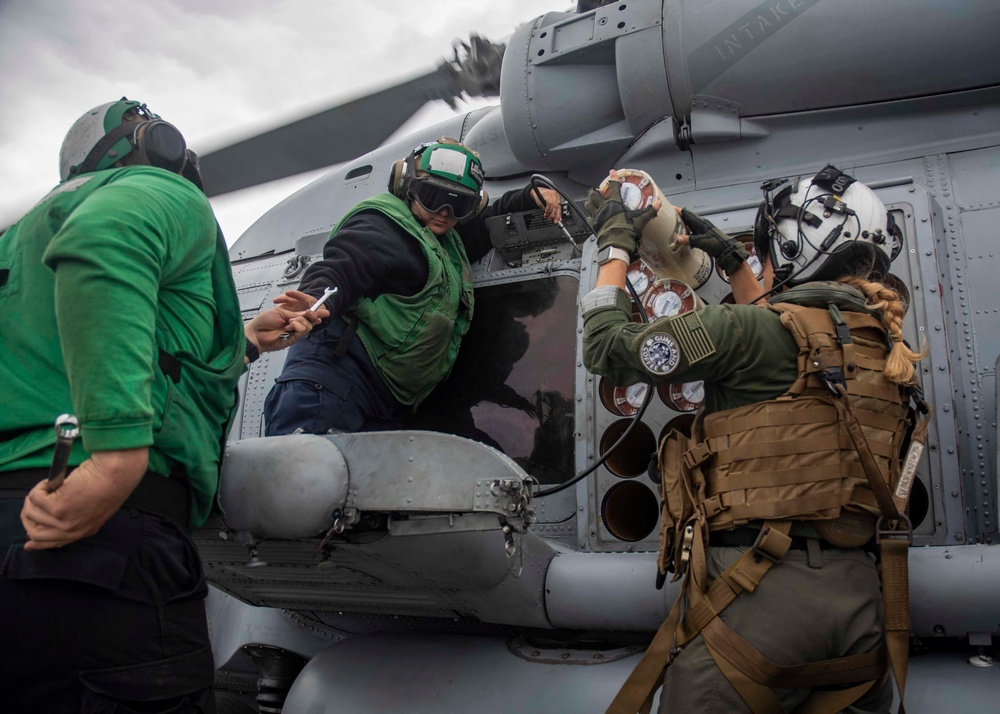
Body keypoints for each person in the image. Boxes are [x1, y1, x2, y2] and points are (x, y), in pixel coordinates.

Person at [0, 98, 325, 713]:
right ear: (155, 143)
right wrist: (114, 459)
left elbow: (125, 351)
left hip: (20, 520)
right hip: (103, 537)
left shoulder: (22, 239)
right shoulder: (159, 191)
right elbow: (105, 243)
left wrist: (248, 339)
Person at [582, 168, 928, 713]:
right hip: (862, 612)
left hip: (759, 601)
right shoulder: (887, 353)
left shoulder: (748, 334)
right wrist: (731, 260)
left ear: (790, 250)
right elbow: (783, 332)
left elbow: (605, 349)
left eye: (766, 255)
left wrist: (614, 251)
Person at [263, 137, 563, 435]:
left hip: (386, 401)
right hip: (333, 384)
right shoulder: (384, 227)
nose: (444, 211)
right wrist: (314, 302)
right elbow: (343, 267)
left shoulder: (446, 242)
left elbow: (484, 227)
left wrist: (528, 197)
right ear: (407, 186)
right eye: (433, 196)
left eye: (458, 203)